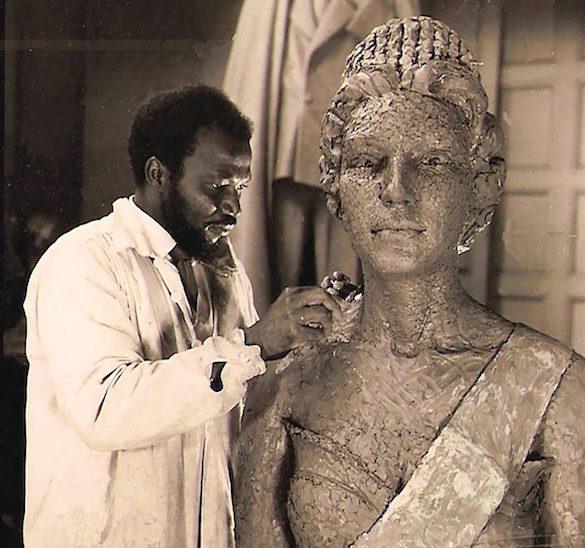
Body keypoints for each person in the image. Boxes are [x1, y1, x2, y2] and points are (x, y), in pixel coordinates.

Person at [234, 17, 585, 547]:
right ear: (335, 188)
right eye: (368, 162)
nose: (396, 190)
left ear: (482, 185)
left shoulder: (557, 391)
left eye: (433, 162)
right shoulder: (283, 389)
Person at [23, 85, 340, 548]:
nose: (232, 208)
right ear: (159, 173)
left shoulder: (222, 272)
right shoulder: (84, 261)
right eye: (217, 186)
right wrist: (253, 344)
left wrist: (303, 343)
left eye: (241, 188)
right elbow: (105, 411)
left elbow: (238, 397)